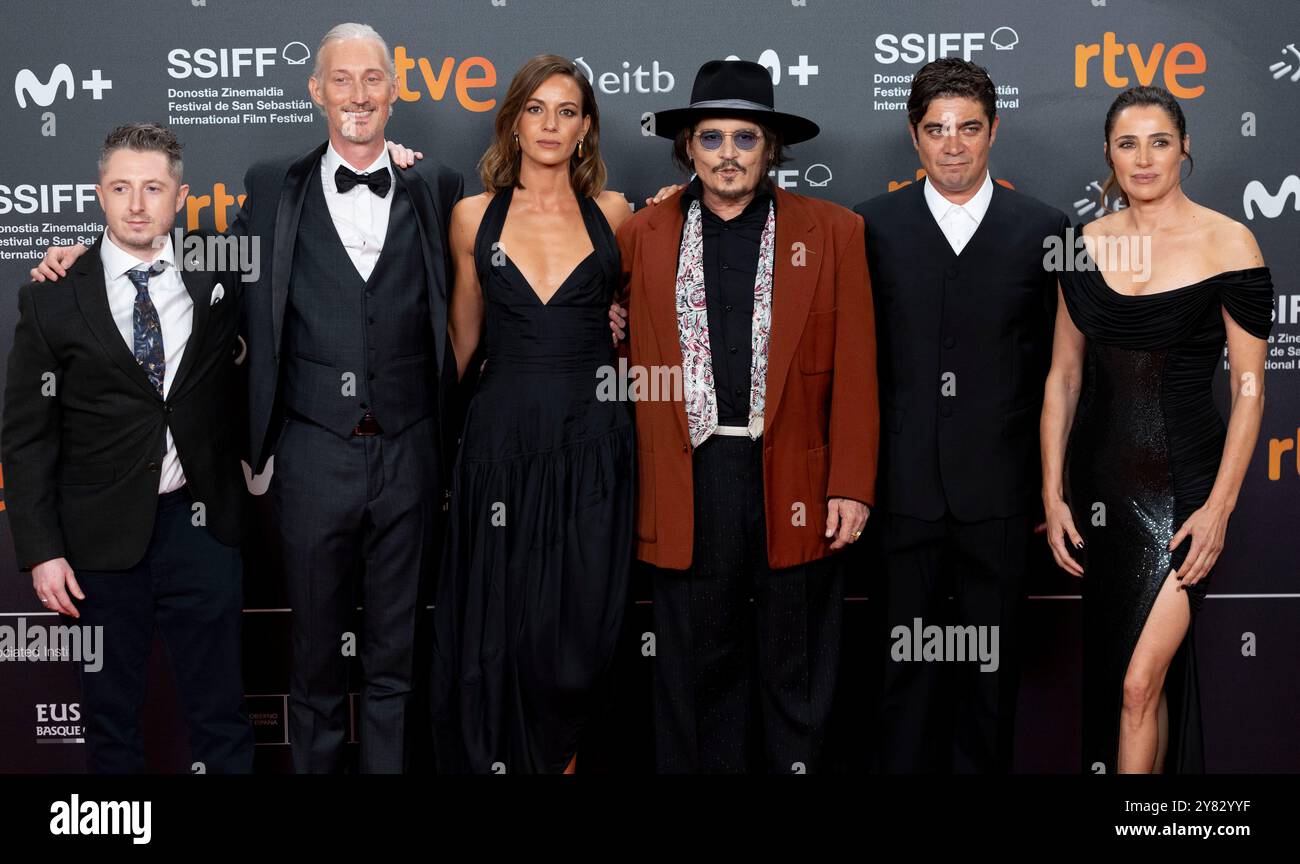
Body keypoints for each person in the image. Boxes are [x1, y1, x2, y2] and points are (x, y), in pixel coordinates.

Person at [617, 59, 878, 773]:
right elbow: (602, 333)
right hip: (686, 477)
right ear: (688, 148)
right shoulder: (642, 233)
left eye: (745, 138)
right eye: (711, 138)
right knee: (698, 672)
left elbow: (858, 367)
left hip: (795, 473)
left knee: (799, 669)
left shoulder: (833, 231)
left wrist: (851, 483)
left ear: (771, 149)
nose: (728, 154)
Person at [3, 123, 252, 772]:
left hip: (202, 527)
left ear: (180, 197)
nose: (137, 204)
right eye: (121, 188)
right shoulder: (54, 294)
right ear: (99, 194)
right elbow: (26, 436)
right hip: (99, 542)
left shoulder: (218, 264)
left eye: (152, 188)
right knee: (111, 725)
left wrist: (379, 155)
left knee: (222, 717)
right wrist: (41, 552)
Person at [1041, 85, 1272, 774]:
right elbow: (1063, 378)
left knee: (1141, 682)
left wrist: (1219, 509)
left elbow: (1250, 387)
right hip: (1100, 494)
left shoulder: (1229, 240)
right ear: (1108, 155)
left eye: (1160, 141)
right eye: (1127, 143)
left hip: (1184, 493)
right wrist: (1052, 495)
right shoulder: (1080, 246)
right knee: (1128, 682)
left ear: (1185, 147)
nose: (1144, 159)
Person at [852, 58, 1070, 773]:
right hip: (900, 497)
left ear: (993, 131)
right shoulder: (868, 227)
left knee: (989, 686)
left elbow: (1063, 373)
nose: (953, 145)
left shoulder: (1043, 228)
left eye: (969, 129)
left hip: (1002, 499)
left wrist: (1052, 487)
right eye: (937, 130)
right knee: (899, 681)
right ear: (913, 136)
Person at [431, 55, 634, 775]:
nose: (551, 124)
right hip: (500, 445)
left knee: (581, 631)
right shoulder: (471, 217)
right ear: (514, 120)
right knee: (504, 632)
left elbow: (650, 318)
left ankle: (569, 760)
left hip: (596, 443)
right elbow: (461, 341)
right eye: (537, 109)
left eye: (568, 111)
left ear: (586, 130)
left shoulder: (616, 214)